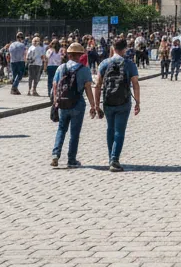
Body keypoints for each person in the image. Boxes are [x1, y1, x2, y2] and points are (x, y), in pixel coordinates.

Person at [97, 38, 141, 172]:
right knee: (119, 131)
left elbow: (98, 85)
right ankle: (114, 159)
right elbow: (135, 84)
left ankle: (111, 158)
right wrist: (137, 101)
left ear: (113, 48)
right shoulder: (129, 64)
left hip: (108, 100)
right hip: (124, 101)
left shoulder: (104, 63)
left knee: (110, 129)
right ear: (125, 49)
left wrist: (96, 105)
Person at [50, 42, 97, 168]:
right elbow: (88, 88)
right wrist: (93, 105)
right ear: (80, 55)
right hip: (77, 103)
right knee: (74, 133)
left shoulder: (61, 67)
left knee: (61, 129)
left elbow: (55, 85)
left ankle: (55, 154)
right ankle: (71, 159)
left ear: (69, 55)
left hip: (62, 103)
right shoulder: (84, 70)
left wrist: (55, 101)